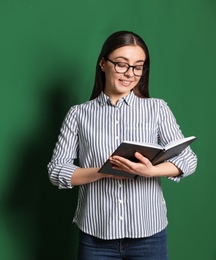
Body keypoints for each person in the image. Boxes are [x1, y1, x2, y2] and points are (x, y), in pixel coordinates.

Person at [47, 31, 197, 260]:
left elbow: (188, 159)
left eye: (138, 67)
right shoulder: (79, 115)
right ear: (102, 64)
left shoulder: (157, 109)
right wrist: (102, 172)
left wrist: (151, 171)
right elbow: (56, 170)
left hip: (149, 234)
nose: (130, 74)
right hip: (96, 236)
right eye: (121, 64)